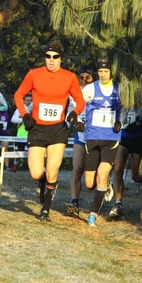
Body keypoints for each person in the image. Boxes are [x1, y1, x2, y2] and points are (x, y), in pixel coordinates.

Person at [14, 41, 85, 222]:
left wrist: (74, 113)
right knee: (36, 173)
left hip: (57, 130)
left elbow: (80, 100)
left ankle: (45, 210)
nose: (51, 60)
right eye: (48, 56)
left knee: (52, 171)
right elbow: (18, 95)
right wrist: (25, 115)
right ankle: (42, 183)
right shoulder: (34, 74)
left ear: (61, 59)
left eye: (55, 57)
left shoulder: (69, 77)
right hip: (37, 128)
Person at [82, 57, 122, 227]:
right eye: (100, 72)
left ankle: (93, 215)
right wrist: (76, 120)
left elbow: (127, 107)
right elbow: (77, 105)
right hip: (92, 137)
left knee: (102, 174)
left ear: (111, 72)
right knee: (89, 183)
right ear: (97, 72)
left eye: (106, 71)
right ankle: (105, 185)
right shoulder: (91, 88)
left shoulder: (119, 89)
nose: (103, 75)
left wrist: (121, 121)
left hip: (111, 138)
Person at [109, 107, 142, 219]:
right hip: (123, 137)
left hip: (139, 139)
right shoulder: (122, 96)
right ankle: (118, 204)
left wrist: (138, 123)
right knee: (118, 168)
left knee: (135, 176)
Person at [66, 65, 94, 218]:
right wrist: (67, 124)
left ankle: (104, 183)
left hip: (96, 135)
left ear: (93, 79)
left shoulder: (97, 90)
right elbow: (71, 111)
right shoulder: (74, 92)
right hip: (80, 135)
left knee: (91, 179)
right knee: (77, 168)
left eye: (87, 78)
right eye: (81, 77)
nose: (84, 81)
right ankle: (74, 202)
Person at [11, 93, 33, 172]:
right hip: (20, 135)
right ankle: (14, 166)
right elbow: (13, 119)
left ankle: (32, 169)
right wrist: (23, 120)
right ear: (23, 101)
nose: (29, 102)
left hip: (31, 135)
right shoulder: (20, 109)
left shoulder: (34, 108)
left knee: (32, 152)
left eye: (30, 100)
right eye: (27, 100)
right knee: (18, 152)